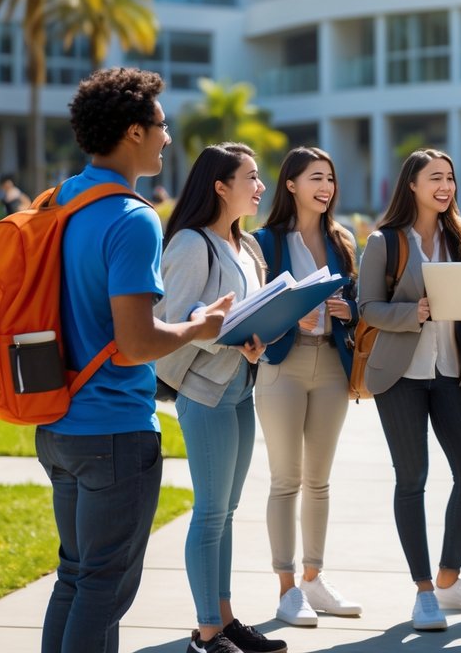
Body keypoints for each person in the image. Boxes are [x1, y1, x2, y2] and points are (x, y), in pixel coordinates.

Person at [36, 67, 233, 653]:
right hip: (115, 430)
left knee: (75, 576)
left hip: (59, 422)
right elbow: (137, 342)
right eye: (161, 126)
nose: (168, 138)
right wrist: (199, 325)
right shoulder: (132, 217)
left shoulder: (62, 199)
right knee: (103, 587)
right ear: (132, 132)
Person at [157, 143, 284, 653]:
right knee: (210, 511)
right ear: (220, 185)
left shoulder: (247, 246)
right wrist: (225, 330)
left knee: (227, 511)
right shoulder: (191, 244)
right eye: (251, 177)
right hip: (204, 391)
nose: (260, 187)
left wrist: (258, 338)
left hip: (240, 386)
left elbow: (246, 314)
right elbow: (170, 321)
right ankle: (207, 633)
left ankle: (226, 621)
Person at [356, 148, 461, 631]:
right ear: (411, 184)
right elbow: (368, 307)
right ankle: (424, 591)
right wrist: (414, 313)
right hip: (401, 376)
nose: (446, 186)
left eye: (450, 177)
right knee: (412, 479)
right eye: (435, 177)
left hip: (451, 372)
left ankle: (448, 576)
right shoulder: (385, 242)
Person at [251, 147, 363, 626]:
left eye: (331, 179)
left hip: (332, 369)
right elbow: (254, 310)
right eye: (316, 177)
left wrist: (348, 311)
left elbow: (358, 302)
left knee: (319, 480)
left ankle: (315, 580)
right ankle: (287, 588)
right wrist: (292, 313)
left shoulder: (342, 240)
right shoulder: (265, 242)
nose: (326, 187)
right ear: (291, 184)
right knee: (285, 479)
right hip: (284, 365)